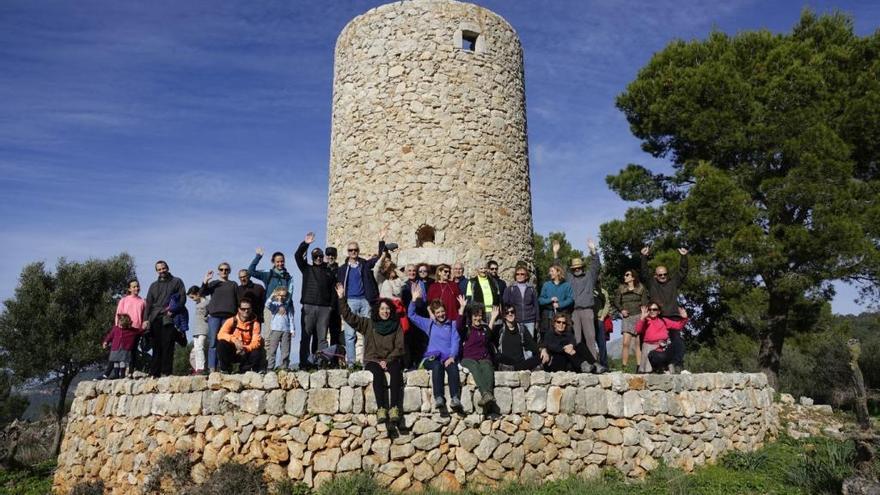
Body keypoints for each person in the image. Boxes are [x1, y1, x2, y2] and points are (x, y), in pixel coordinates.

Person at [336, 283, 406, 425]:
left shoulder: (396, 325)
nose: (385, 311)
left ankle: (394, 409)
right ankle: (381, 409)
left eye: (387, 309)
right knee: (378, 375)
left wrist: (388, 360)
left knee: (396, 372)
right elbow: (349, 317)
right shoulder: (368, 324)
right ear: (377, 310)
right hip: (373, 359)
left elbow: (400, 347)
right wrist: (342, 298)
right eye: (382, 309)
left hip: (391, 358)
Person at [407, 284, 463, 413]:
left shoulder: (452, 325)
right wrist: (414, 300)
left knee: (453, 367)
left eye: (442, 311)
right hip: (431, 357)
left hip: (448, 357)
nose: (441, 314)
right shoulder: (429, 324)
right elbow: (411, 315)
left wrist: (452, 356)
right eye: (438, 312)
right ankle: (439, 397)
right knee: (437, 366)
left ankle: (455, 398)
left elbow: (456, 341)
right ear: (434, 314)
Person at [337, 231, 384, 366]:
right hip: (350, 301)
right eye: (351, 250)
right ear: (348, 252)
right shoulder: (342, 269)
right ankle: (351, 364)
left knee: (368, 334)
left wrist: (381, 240)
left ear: (358, 251)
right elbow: (338, 286)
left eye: (355, 250)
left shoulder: (365, 264)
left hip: (365, 301)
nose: (353, 252)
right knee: (350, 335)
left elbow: (380, 257)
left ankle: (367, 362)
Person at [554, 239, 602, 368]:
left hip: (587, 310)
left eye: (579, 268)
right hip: (574, 311)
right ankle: (581, 364)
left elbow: (596, 265)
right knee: (577, 340)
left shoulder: (589, 276)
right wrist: (556, 254)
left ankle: (594, 363)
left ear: (582, 267)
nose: (577, 270)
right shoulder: (570, 278)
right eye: (574, 268)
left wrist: (593, 251)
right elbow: (559, 268)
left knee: (591, 338)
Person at [641, 245, 689, 372]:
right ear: (656, 276)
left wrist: (683, 256)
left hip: (673, 317)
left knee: (677, 342)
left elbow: (682, 272)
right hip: (658, 318)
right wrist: (643, 257)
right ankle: (655, 367)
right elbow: (644, 273)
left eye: (665, 274)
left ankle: (678, 365)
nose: (663, 276)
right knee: (655, 343)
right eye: (660, 275)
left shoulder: (673, 283)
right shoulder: (652, 284)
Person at [295, 232, 336, 369]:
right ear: (312, 258)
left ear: (322, 257)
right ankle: (304, 363)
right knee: (306, 337)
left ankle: (321, 363)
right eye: (315, 257)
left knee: (322, 338)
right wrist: (305, 243)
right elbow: (297, 256)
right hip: (309, 306)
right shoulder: (306, 269)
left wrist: (330, 306)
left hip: (324, 308)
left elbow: (332, 291)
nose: (318, 258)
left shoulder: (329, 272)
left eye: (320, 256)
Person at [144, 260, 186, 377]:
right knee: (156, 346)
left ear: (167, 268)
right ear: (157, 271)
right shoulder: (153, 285)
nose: (162, 271)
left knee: (168, 345)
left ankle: (166, 372)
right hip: (155, 317)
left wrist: (173, 311)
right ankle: (154, 372)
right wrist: (146, 320)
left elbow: (182, 299)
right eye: (159, 269)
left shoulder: (177, 281)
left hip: (170, 317)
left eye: (163, 268)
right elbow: (148, 303)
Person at [459, 300, 498, 411]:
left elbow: (489, 335)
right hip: (468, 359)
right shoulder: (467, 329)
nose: (478, 318)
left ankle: (488, 395)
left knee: (487, 366)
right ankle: (485, 393)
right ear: (471, 317)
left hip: (483, 358)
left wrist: (493, 319)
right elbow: (459, 325)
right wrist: (462, 308)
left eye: (480, 315)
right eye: (475, 316)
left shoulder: (484, 329)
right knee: (475, 367)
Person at [201, 262, 239, 372]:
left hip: (229, 317)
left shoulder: (233, 284)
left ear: (229, 271)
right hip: (214, 316)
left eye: (226, 270)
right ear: (218, 271)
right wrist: (206, 280)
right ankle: (212, 368)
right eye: (221, 269)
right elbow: (202, 293)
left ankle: (225, 367)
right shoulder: (214, 283)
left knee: (226, 342)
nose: (224, 271)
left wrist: (237, 316)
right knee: (213, 342)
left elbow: (238, 301)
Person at [635, 304, 688, 373]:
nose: (652, 311)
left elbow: (678, 326)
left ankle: (677, 366)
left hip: (664, 348)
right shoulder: (646, 321)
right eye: (650, 309)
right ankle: (660, 369)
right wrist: (642, 318)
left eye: (654, 309)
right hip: (651, 351)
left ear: (659, 311)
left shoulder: (664, 321)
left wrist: (684, 318)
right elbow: (638, 330)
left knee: (679, 344)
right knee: (658, 356)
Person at [249, 248, 295, 326]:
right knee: (269, 335)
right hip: (270, 308)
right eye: (277, 262)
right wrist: (258, 257)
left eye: (282, 261)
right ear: (273, 262)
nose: (280, 264)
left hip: (285, 309)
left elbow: (290, 293)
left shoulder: (288, 277)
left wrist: (284, 307)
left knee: (284, 335)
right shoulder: (268, 274)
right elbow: (250, 271)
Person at [217, 297, 264, 373]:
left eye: (248, 309)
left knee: (257, 352)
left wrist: (245, 348)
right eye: (243, 309)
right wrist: (235, 340)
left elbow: (256, 342)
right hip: (233, 351)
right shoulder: (231, 321)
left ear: (251, 309)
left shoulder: (255, 324)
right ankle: (225, 369)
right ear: (239, 309)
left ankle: (245, 370)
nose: (246, 311)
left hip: (246, 352)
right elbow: (220, 334)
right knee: (221, 344)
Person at [614, 269, 647, 372]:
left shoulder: (641, 288)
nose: (625, 276)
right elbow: (616, 301)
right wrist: (621, 310)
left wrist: (642, 316)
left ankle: (639, 367)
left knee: (638, 343)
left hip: (638, 317)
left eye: (627, 275)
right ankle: (624, 366)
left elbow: (645, 302)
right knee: (625, 343)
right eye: (625, 275)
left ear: (633, 277)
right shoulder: (621, 288)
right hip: (627, 318)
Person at [493, 304, 541, 371]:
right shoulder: (499, 329)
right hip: (506, 362)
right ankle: (514, 368)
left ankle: (515, 368)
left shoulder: (522, 329)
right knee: (497, 356)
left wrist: (543, 350)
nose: (510, 314)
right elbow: (487, 337)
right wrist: (493, 319)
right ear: (504, 315)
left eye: (512, 312)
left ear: (515, 313)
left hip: (520, 362)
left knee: (540, 357)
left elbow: (532, 345)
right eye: (507, 312)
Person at [114, 279, 147, 373]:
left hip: (136, 330)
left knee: (133, 351)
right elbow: (118, 314)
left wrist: (143, 327)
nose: (136, 288)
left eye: (137, 286)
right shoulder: (124, 300)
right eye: (134, 287)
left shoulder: (143, 301)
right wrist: (117, 327)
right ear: (129, 289)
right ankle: (119, 373)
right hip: (124, 329)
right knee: (121, 351)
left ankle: (131, 372)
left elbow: (145, 316)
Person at [101, 314, 145, 379]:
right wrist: (106, 342)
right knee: (115, 361)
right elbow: (110, 336)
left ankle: (122, 375)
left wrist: (144, 328)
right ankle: (116, 375)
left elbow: (139, 331)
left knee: (122, 362)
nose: (120, 326)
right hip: (115, 348)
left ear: (127, 325)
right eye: (119, 324)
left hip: (125, 349)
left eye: (122, 325)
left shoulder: (131, 331)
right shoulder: (115, 328)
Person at [502, 264, 539, 340]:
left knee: (529, 345)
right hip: (516, 321)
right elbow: (505, 304)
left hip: (530, 321)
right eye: (517, 274)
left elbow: (536, 305)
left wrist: (537, 320)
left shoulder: (531, 289)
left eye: (522, 274)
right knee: (517, 343)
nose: (520, 276)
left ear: (526, 276)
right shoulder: (510, 289)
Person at [537, 263, 573, 339]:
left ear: (558, 272)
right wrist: (550, 300)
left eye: (552, 271)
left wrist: (560, 305)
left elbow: (570, 299)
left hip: (562, 315)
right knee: (548, 338)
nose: (550, 273)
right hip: (548, 317)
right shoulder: (546, 285)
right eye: (550, 271)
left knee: (562, 338)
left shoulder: (567, 285)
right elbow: (540, 300)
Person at [266, 286, 295, 370]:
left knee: (285, 351)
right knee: (272, 350)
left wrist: (292, 329)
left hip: (286, 330)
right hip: (275, 330)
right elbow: (267, 304)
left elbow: (291, 318)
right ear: (276, 295)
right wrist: (272, 296)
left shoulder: (288, 306)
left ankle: (284, 367)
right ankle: (270, 367)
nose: (282, 297)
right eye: (280, 295)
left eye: (284, 296)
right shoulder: (274, 305)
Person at [187, 285, 209, 374]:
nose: (193, 299)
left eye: (193, 297)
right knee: (195, 350)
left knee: (200, 347)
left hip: (204, 328)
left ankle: (201, 368)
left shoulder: (207, 302)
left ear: (197, 294)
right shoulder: (197, 304)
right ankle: (196, 368)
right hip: (196, 329)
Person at [324, 247, 343, 353]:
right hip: (324, 306)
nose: (330, 257)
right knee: (321, 334)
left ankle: (334, 361)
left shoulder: (340, 271)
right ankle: (321, 360)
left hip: (335, 307)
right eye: (328, 255)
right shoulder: (322, 270)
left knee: (335, 334)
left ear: (335, 256)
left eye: (332, 255)